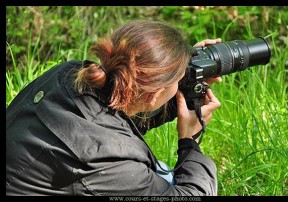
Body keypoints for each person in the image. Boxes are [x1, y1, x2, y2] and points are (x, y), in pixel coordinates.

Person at [6, 19, 222, 196]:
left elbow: (112, 118)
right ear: (152, 94)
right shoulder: (109, 161)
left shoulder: (70, 73)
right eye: (177, 79)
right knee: (166, 176)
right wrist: (189, 142)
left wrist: (178, 76)